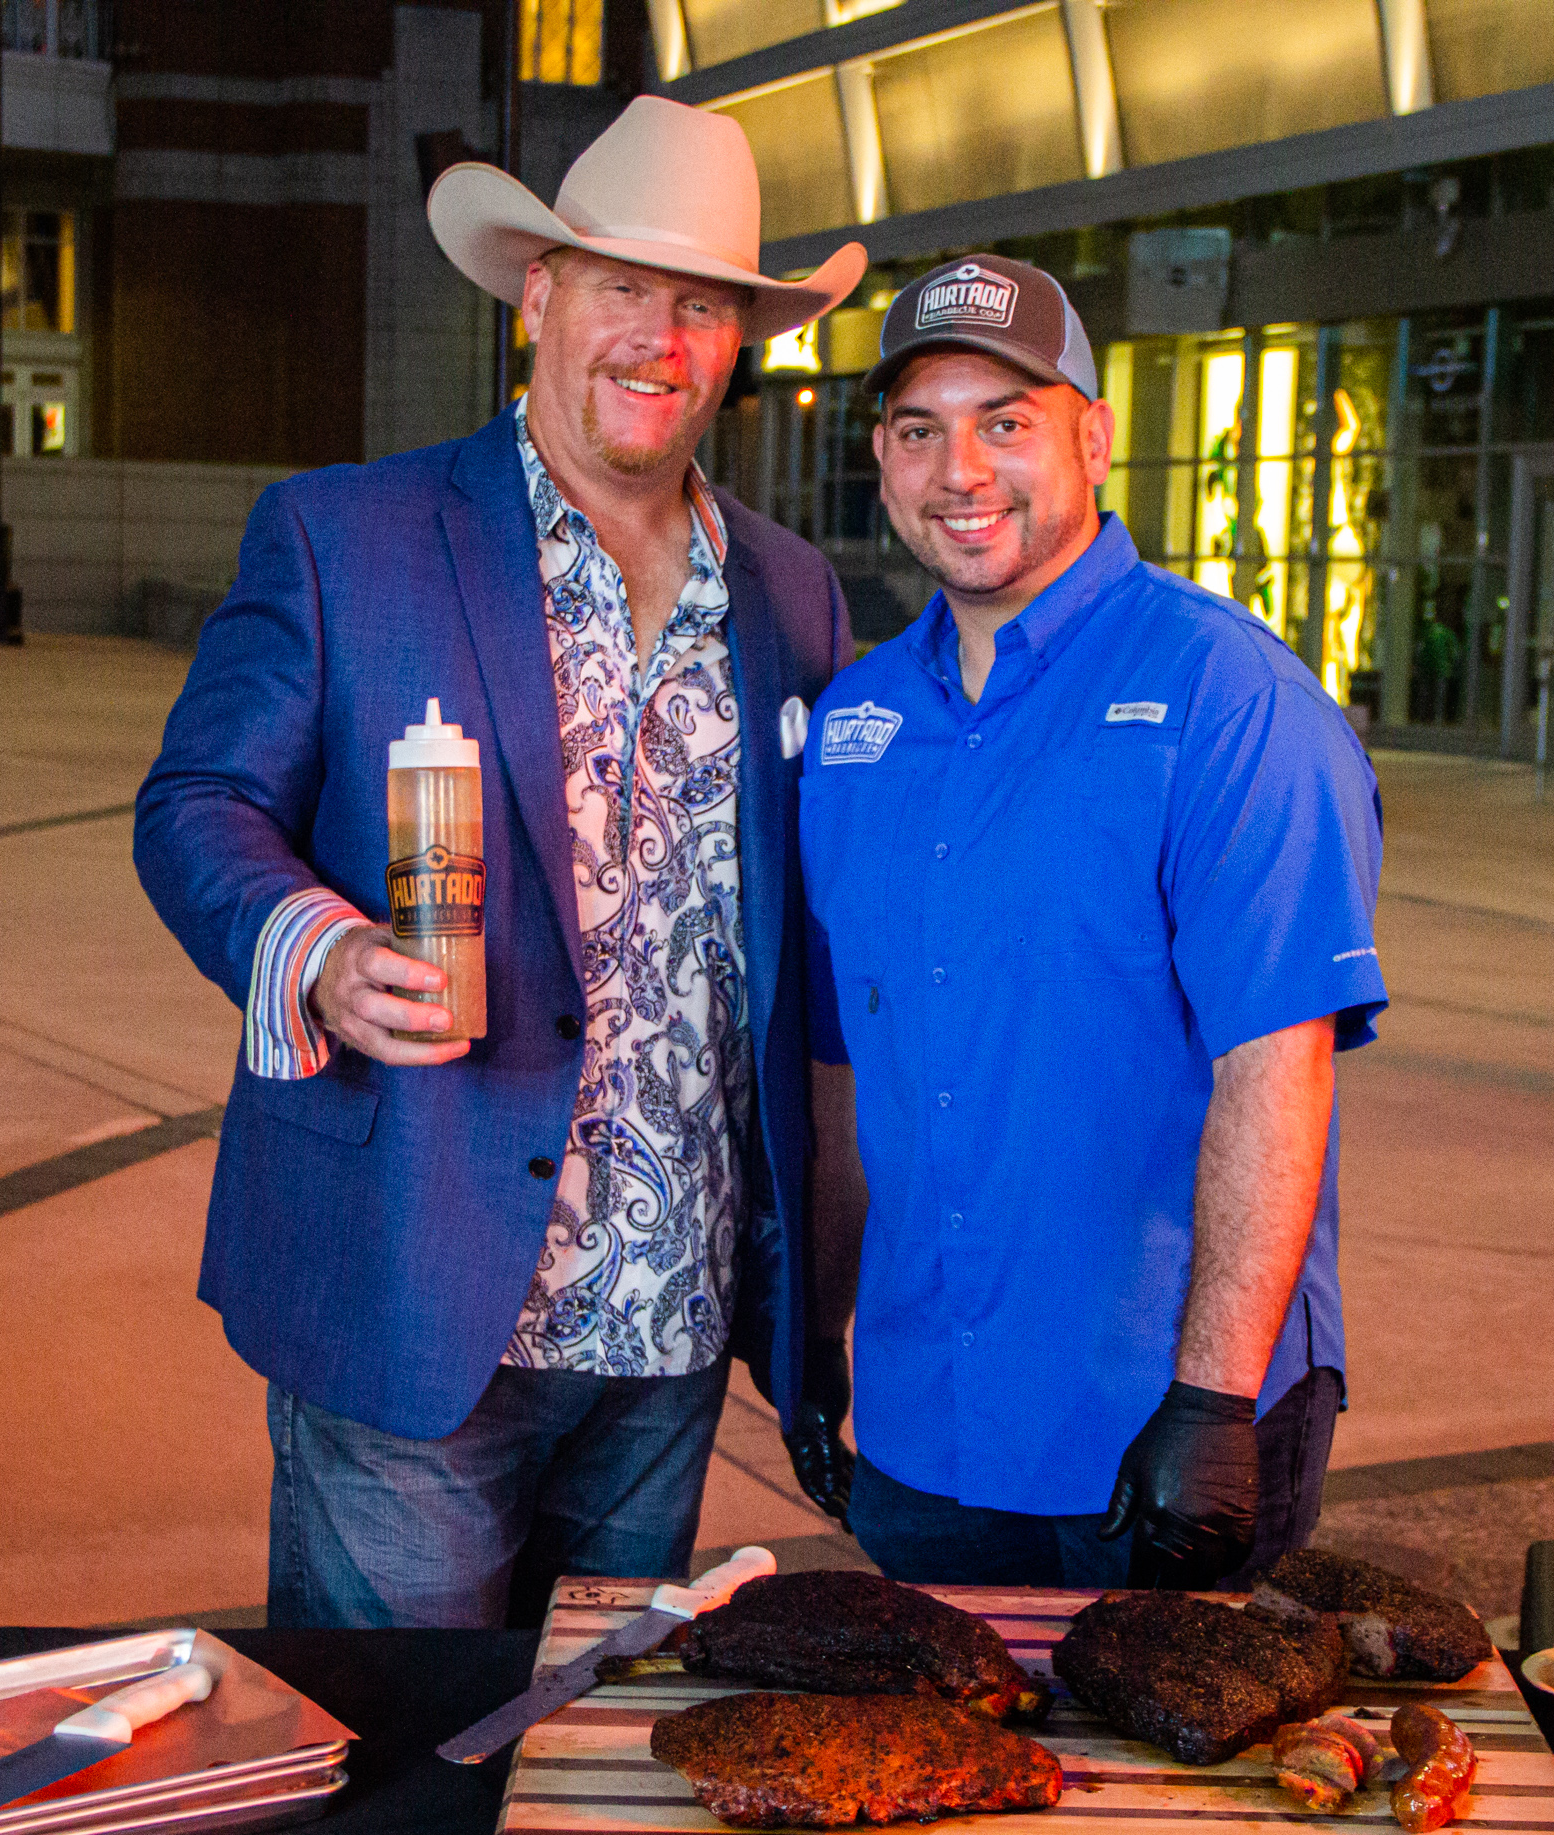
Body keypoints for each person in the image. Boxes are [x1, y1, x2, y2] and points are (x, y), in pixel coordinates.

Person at [132, 98, 866, 1629]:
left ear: (739, 341)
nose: (659, 338)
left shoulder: (796, 596)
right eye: (621, 288)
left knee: (587, 1776)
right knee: (398, 1775)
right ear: (537, 294)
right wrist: (318, 951)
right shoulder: (350, 534)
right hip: (421, 1281)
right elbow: (198, 802)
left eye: (703, 305)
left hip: (673, 1320)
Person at [791, 256, 1386, 1590]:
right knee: (942, 1785)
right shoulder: (855, 728)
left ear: (1095, 438)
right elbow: (844, 1073)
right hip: (922, 1426)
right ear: (882, 463)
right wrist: (814, 1338)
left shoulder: (1228, 697)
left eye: (1005, 421)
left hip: (1156, 1431)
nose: (962, 470)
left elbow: (1277, 1068)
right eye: (918, 430)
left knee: (1165, 1793)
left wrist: (1216, 1406)